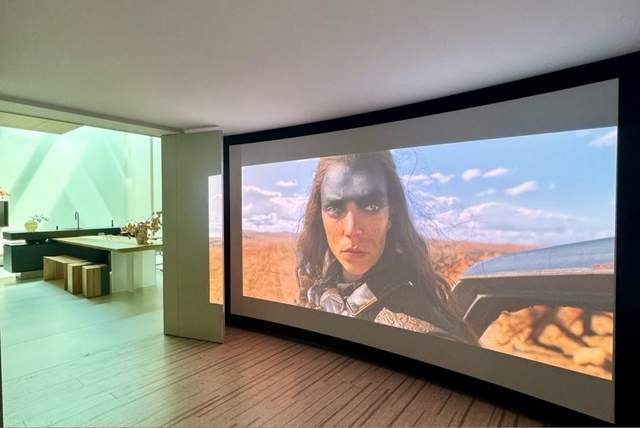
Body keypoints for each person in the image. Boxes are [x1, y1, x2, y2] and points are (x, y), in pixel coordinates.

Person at [296, 151, 476, 344]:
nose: (352, 229)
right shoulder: (316, 293)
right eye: (335, 207)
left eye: (371, 206)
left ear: (391, 215)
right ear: (320, 216)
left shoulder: (426, 337)